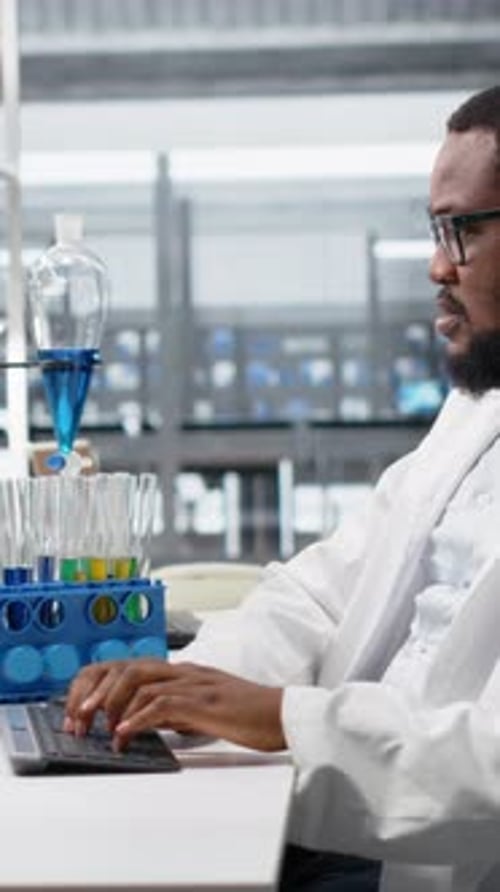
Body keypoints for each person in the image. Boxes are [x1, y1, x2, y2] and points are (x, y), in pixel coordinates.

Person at [65, 85, 500, 892]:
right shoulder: (477, 415)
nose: (438, 265)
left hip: (429, 863)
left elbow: (489, 765)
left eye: (461, 229)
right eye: (434, 230)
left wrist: (277, 720)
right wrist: (176, 690)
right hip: (338, 816)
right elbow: (318, 593)